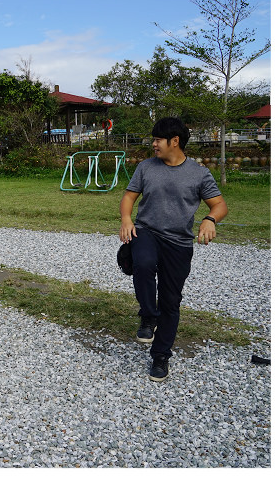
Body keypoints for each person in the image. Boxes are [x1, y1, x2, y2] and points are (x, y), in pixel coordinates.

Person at [119, 117, 228, 382]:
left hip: (179, 242)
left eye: (157, 140)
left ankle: (161, 356)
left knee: (171, 300)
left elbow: (220, 205)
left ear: (174, 141)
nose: (153, 144)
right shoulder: (146, 168)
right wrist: (126, 219)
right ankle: (147, 316)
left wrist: (209, 219)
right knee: (142, 263)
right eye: (153, 139)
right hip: (146, 231)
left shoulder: (199, 173)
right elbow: (129, 197)